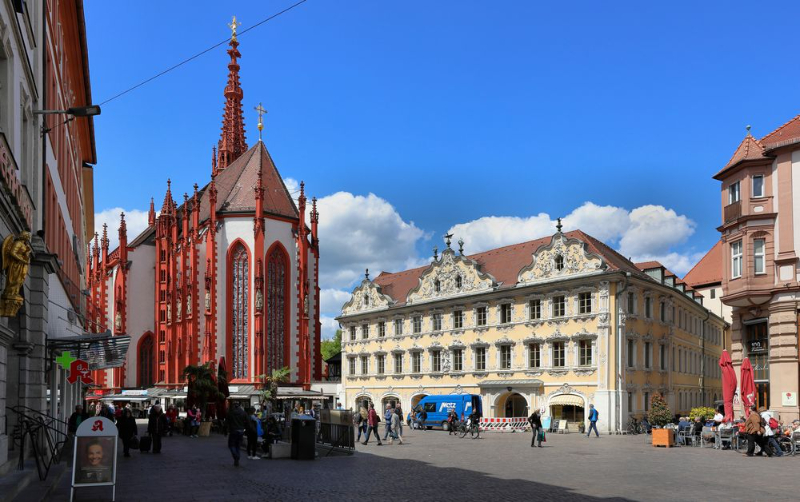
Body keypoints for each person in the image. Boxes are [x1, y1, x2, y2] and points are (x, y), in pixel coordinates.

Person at [227, 401, 248, 466]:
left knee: (231, 445)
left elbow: (227, 422)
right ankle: (237, 457)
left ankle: (236, 456)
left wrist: (225, 430)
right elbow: (247, 421)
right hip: (241, 430)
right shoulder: (243, 412)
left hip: (233, 430)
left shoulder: (230, 413)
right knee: (238, 445)